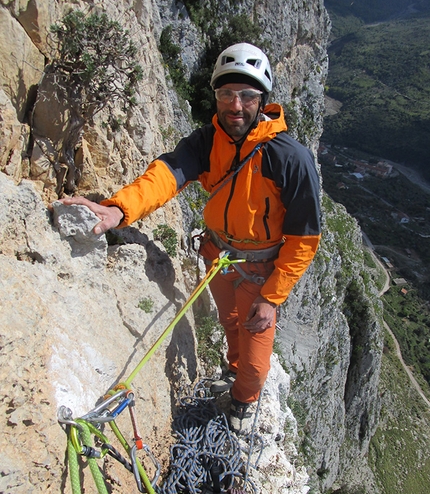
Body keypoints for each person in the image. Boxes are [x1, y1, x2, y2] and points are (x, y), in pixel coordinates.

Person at [58, 43, 321, 434]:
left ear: (263, 101)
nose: (236, 105)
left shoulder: (289, 158)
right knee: (231, 324)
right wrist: (119, 209)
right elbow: (165, 176)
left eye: (247, 96)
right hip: (218, 256)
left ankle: (244, 402)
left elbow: (304, 238)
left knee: (256, 359)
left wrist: (272, 297)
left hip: (260, 271)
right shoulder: (206, 143)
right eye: (226, 94)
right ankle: (233, 373)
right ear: (215, 97)